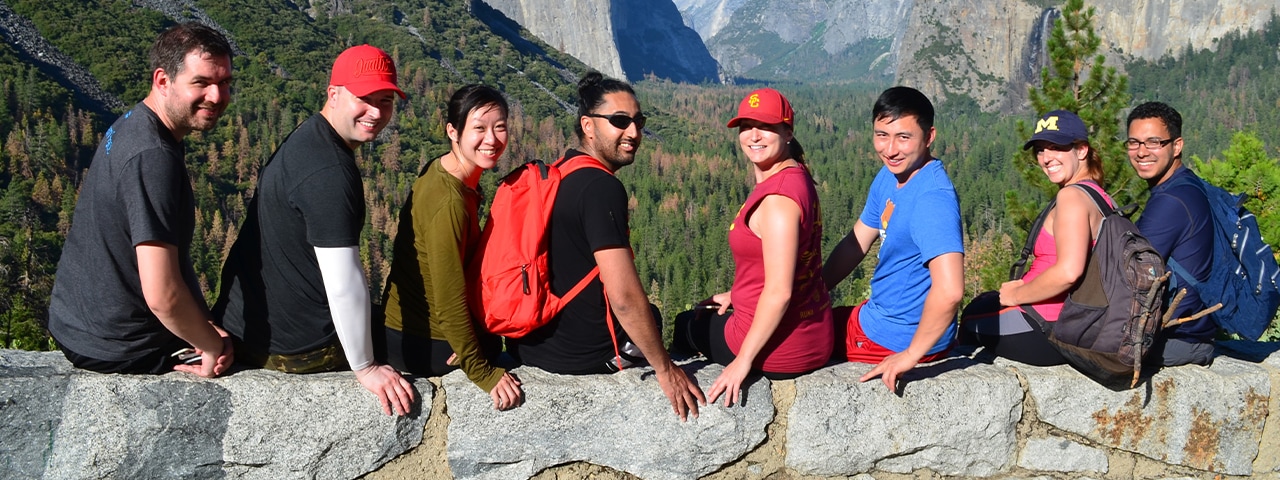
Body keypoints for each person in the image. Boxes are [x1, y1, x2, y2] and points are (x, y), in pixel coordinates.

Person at [214, 45, 414, 416]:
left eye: (385, 100)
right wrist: (366, 368)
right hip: (298, 347)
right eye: (364, 98)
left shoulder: (309, 137)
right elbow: (343, 282)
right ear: (334, 94)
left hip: (253, 324)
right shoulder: (329, 173)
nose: (375, 112)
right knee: (426, 344)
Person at [507, 72, 707, 420]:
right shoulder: (601, 188)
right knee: (659, 323)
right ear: (588, 125)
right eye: (619, 121)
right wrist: (665, 368)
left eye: (638, 121)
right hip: (581, 355)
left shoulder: (561, 171)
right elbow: (625, 299)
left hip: (531, 346)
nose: (633, 132)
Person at [47, 23, 234, 378]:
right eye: (202, 82)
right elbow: (162, 295)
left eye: (224, 83)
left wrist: (205, 321)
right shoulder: (152, 156)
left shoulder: (134, 123)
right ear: (163, 80)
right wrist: (209, 343)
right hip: (119, 346)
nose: (216, 95)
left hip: (80, 323)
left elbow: (171, 250)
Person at [671, 88, 834, 407]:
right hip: (812, 333)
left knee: (686, 325)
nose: (754, 135)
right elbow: (789, 264)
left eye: (766, 126)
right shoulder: (796, 177)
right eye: (746, 126)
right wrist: (739, 294)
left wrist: (742, 361)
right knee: (706, 311)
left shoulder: (777, 201)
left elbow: (779, 293)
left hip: (782, 350)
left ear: (788, 132)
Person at [378, 85, 523, 411]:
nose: (492, 139)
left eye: (500, 127)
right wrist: (482, 370)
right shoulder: (450, 202)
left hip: (407, 330)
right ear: (453, 131)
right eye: (479, 128)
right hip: (424, 341)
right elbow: (448, 297)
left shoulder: (442, 170)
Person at [823, 86, 964, 391]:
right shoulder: (891, 174)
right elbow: (856, 242)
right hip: (884, 319)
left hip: (897, 337)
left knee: (792, 338)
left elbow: (951, 290)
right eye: (881, 135)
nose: (890, 149)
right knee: (805, 315)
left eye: (903, 137)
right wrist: (816, 288)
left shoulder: (932, 198)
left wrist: (910, 355)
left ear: (929, 137)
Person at [959, 110, 1113, 366]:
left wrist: (1016, 296)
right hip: (1072, 320)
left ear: (1082, 150)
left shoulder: (1071, 197)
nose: (1046, 158)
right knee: (984, 301)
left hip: (1045, 326)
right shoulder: (1100, 196)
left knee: (970, 318)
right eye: (1041, 150)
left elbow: (1069, 272)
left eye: (1057, 147)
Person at [1125, 101, 1215, 366]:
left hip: (1181, 339)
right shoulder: (1185, 185)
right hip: (1192, 333)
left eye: (1153, 142)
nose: (1141, 152)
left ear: (1177, 146)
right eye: (1134, 142)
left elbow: (1129, 272)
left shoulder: (1171, 201)